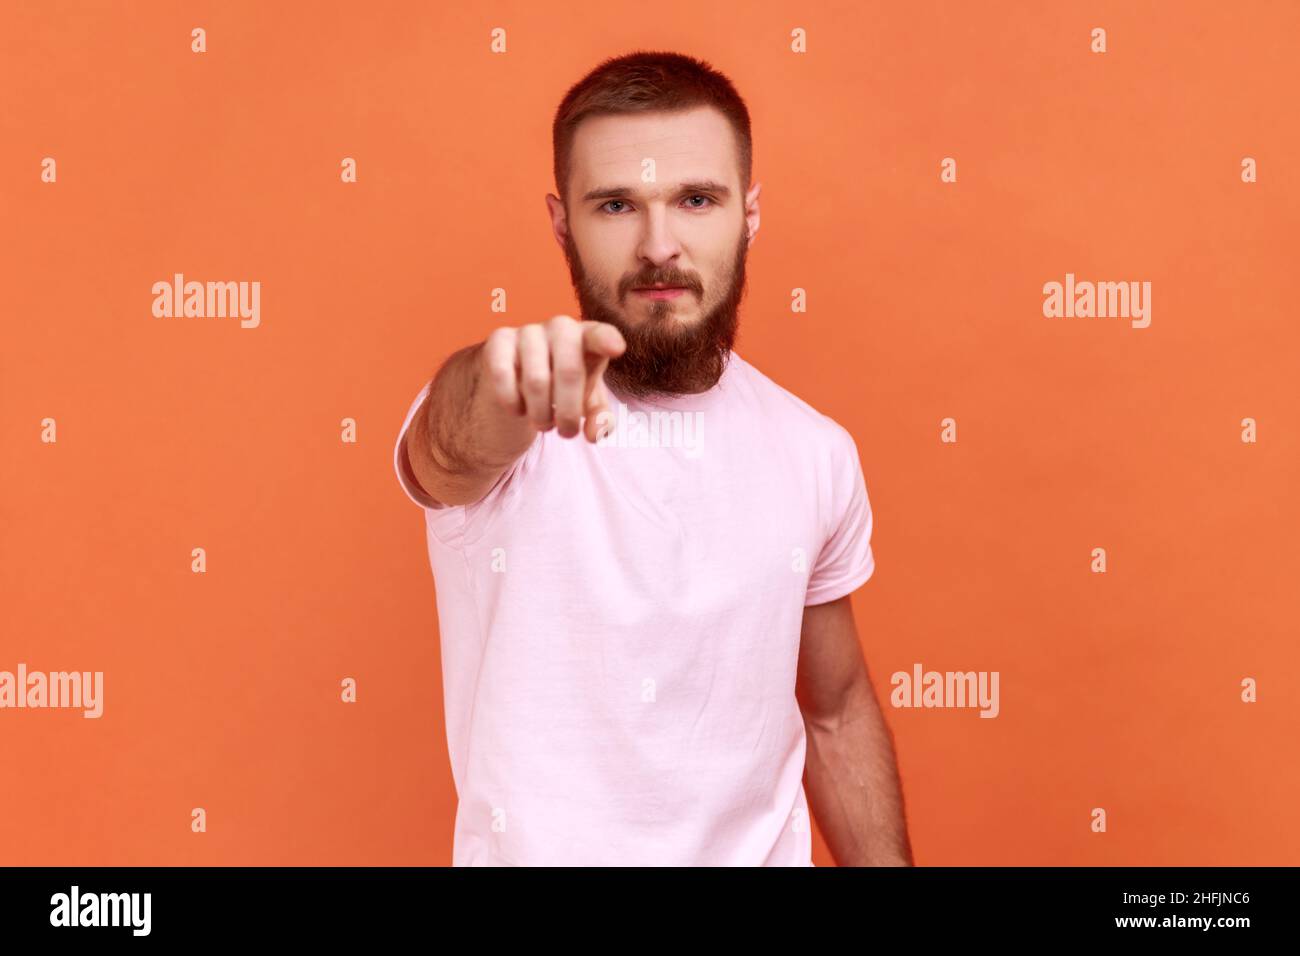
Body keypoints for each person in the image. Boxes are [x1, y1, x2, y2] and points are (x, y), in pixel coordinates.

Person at [394, 50, 912, 866]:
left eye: (696, 199)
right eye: (616, 206)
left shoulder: (815, 451)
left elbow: (836, 709)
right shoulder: (512, 413)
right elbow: (448, 448)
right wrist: (500, 383)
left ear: (750, 212)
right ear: (563, 223)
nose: (658, 246)